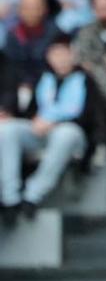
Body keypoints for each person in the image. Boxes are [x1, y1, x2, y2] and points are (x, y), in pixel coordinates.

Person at [0, 34, 90, 220]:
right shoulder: (43, 78)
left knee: (65, 134)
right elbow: (29, 112)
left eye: (65, 54)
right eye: (55, 54)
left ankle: (33, 195)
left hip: (73, 134)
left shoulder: (86, 79)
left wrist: (55, 121)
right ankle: (10, 197)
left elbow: (93, 119)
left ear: (74, 55)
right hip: (39, 131)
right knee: (6, 129)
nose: (61, 59)